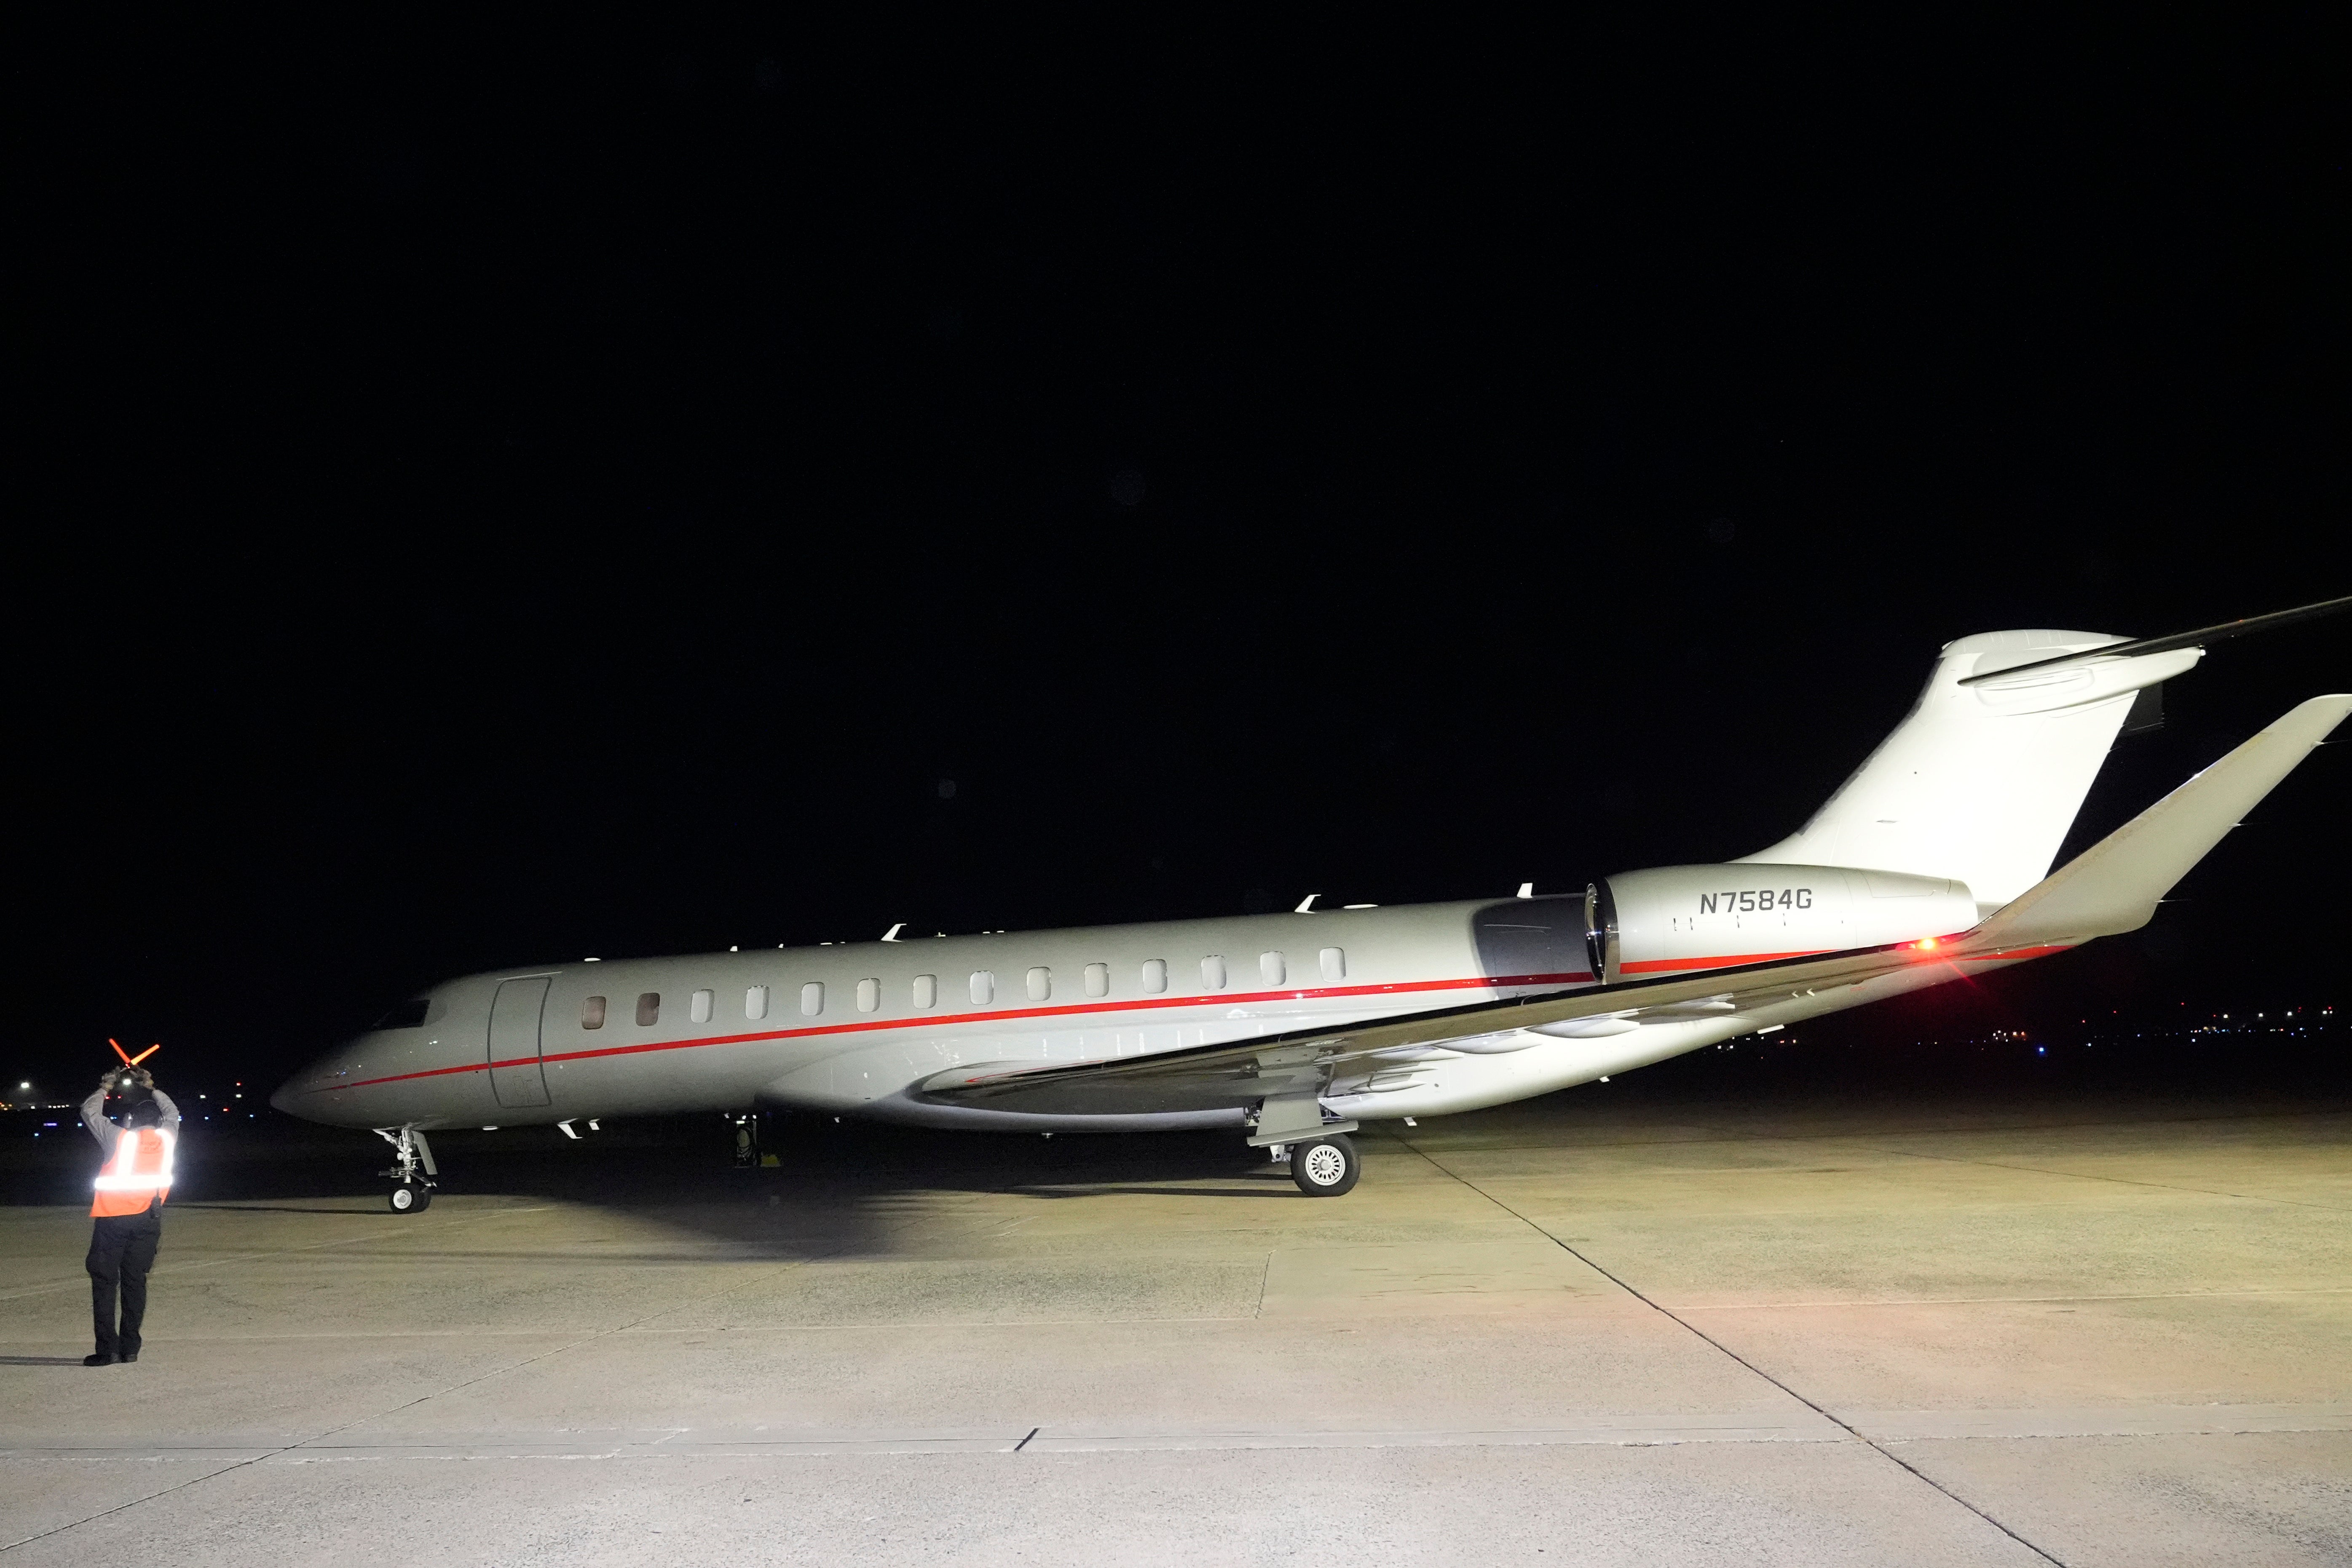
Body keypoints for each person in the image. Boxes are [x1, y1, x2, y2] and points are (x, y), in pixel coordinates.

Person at [80, 1067, 179, 1367]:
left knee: (105, 1282)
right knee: (136, 1281)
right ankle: (130, 1348)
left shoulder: (120, 1139)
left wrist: (105, 1086)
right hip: (150, 1220)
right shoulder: (168, 1138)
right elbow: (172, 1112)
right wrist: (150, 1086)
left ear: (131, 1121)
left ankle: (107, 1349)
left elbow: (89, 1112)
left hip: (114, 1219)